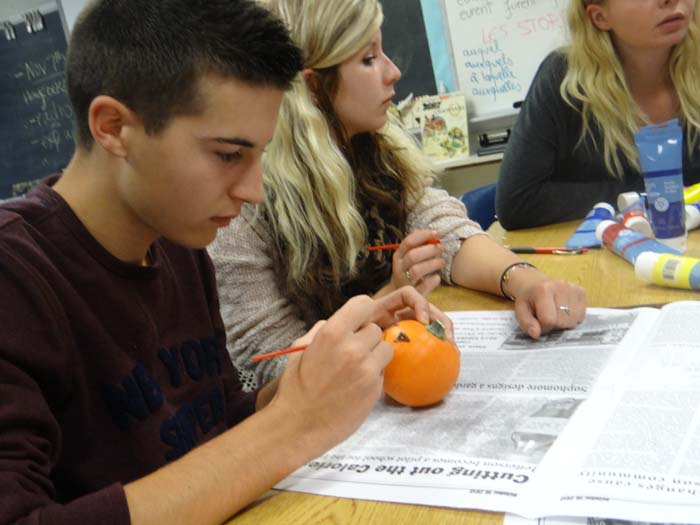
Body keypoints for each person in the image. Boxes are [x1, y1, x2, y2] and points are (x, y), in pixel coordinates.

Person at [0, 1, 454, 523]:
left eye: (261, 154)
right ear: (113, 127)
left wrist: (319, 369)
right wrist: (294, 426)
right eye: (227, 154)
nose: (254, 191)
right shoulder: (16, 277)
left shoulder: (179, 245)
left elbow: (216, 426)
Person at [209, 0, 587, 392]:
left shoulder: (379, 150)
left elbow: (446, 231)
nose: (394, 72)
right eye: (369, 59)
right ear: (313, 86)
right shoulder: (244, 204)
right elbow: (271, 367)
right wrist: (386, 299)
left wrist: (524, 281)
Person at [496, 0, 700, 230]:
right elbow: (517, 203)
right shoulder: (564, 79)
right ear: (600, 17)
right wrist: (653, 192)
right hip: (596, 255)